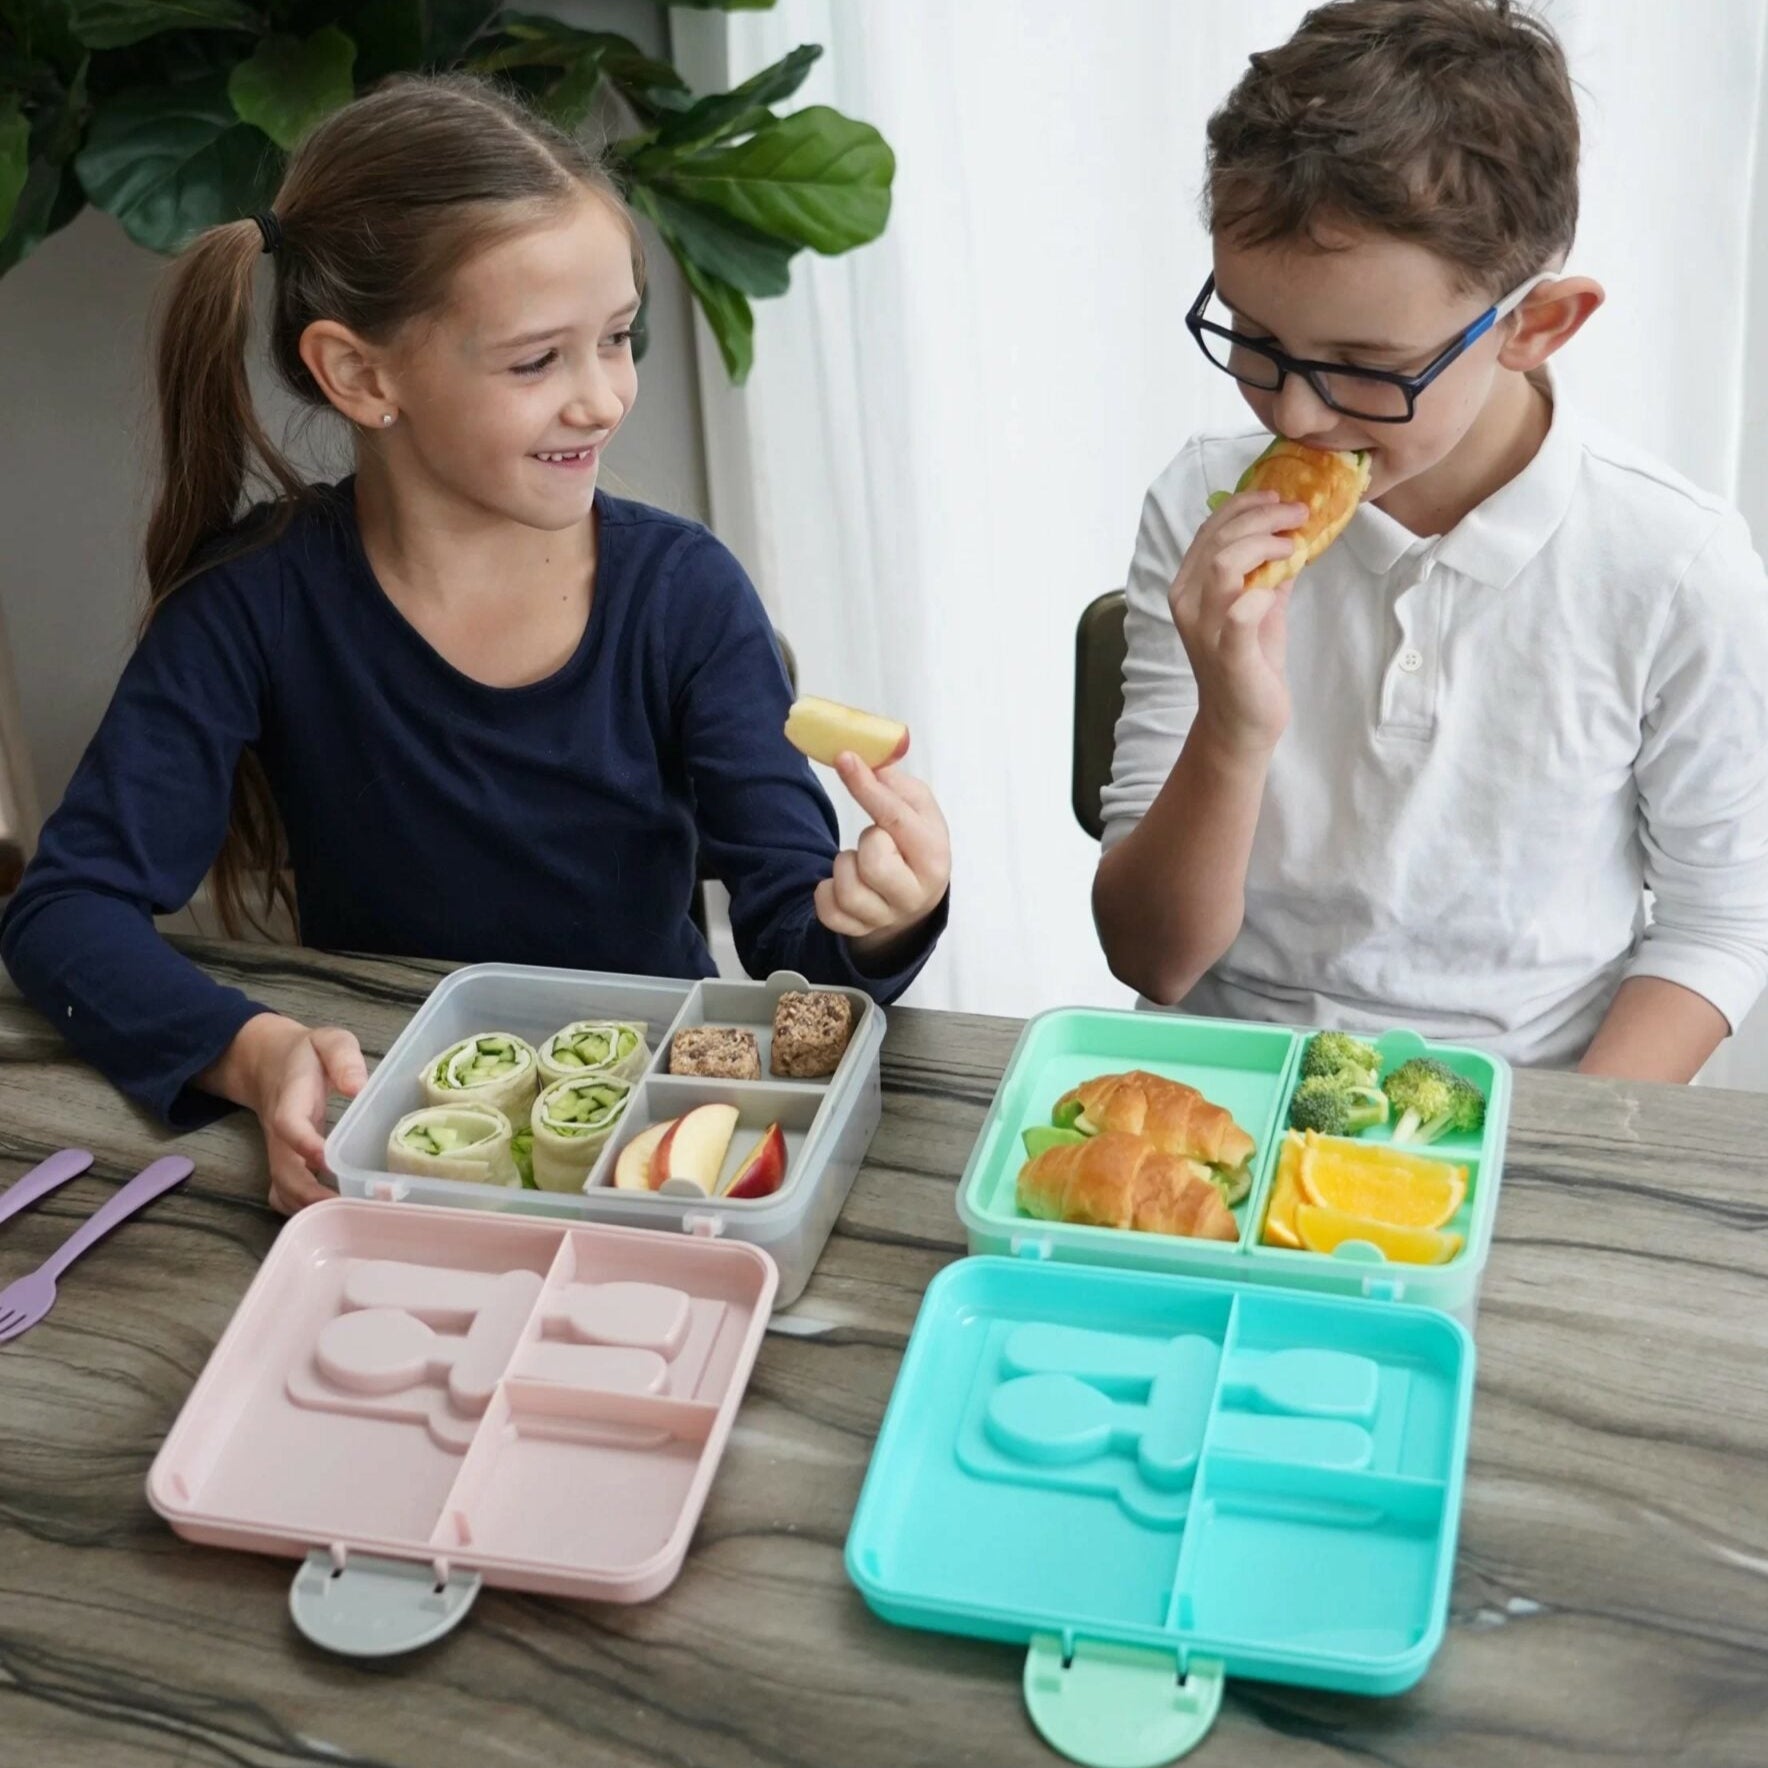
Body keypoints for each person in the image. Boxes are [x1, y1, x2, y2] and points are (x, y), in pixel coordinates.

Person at [0, 76, 950, 1212]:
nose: (603, 399)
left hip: (647, 1148)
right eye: (537, 361)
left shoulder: (686, 595)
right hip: (388, 1126)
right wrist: (254, 1053)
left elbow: (800, 953)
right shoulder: (251, 605)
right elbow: (63, 913)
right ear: (362, 375)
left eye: (617, 338)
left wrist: (880, 919)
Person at [1093, 0, 1768, 1082]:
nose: (1296, 415)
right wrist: (1232, 726)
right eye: (1255, 339)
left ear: (1535, 324)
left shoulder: (1677, 569)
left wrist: (1548, 1148)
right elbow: (1153, 962)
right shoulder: (1199, 503)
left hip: (1527, 1094)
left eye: (1365, 365)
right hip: (1222, 1079)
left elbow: (1718, 926)